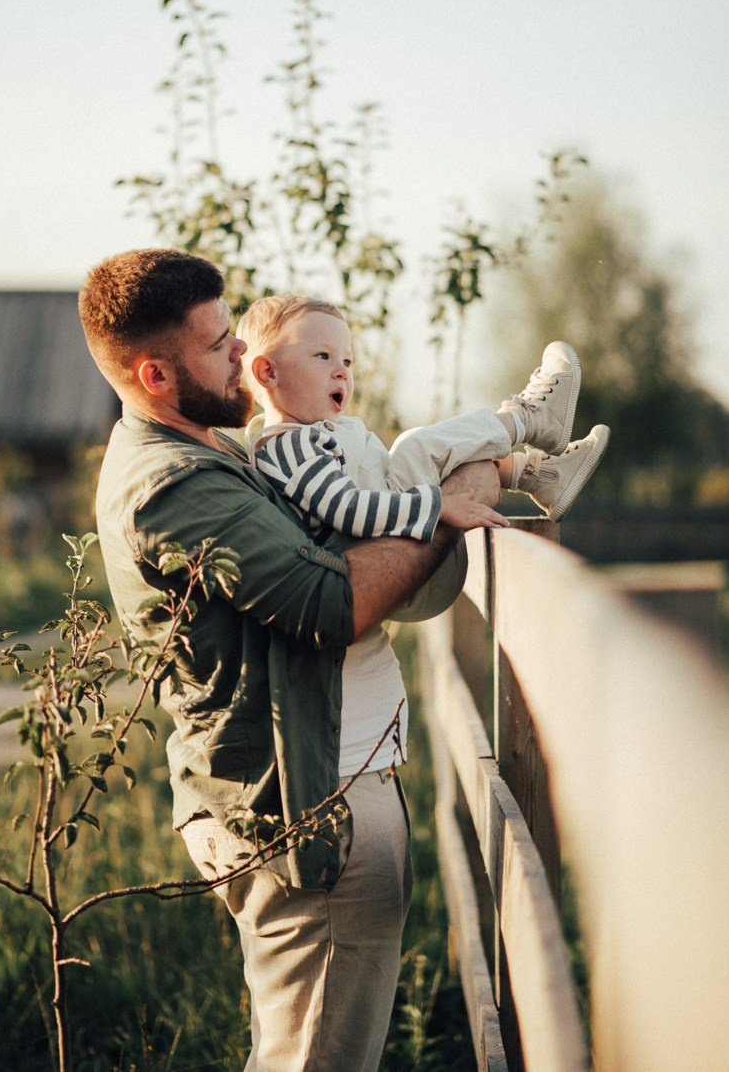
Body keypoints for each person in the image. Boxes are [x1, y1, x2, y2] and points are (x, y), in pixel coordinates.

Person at [78, 248, 505, 1072]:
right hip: (306, 811)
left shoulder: (217, 450)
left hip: (322, 786)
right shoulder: (175, 485)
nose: (241, 353)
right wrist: (448, 514)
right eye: (216, 345)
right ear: (155, 375)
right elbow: (330, 604)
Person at [236, 294, 611, 568]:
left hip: (386, 528)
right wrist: (441, 506)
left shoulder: (313, 433)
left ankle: (539, 475)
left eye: (347, 360)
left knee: (423, 448)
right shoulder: (288, 447)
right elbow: (347, 509)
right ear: (268, 372)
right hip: (371, 552)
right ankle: (526, 419)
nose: (342, 371)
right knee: (417, 446)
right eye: (323, 356)